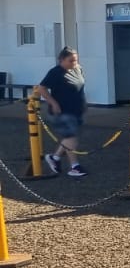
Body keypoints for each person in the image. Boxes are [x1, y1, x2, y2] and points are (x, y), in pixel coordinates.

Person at [37, 47, 89, 177]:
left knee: (70, 138)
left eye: (75, 60)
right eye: (70, 61)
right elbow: (41, 88)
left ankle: (55, 158)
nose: (74, 63)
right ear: (61, 60)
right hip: (61, 111)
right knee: (71, 137)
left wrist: (84, 103)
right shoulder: (55, 72)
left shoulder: (78, 69)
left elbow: (80, 87)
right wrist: (53, 103)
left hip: (76, 109)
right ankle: (74, 167)